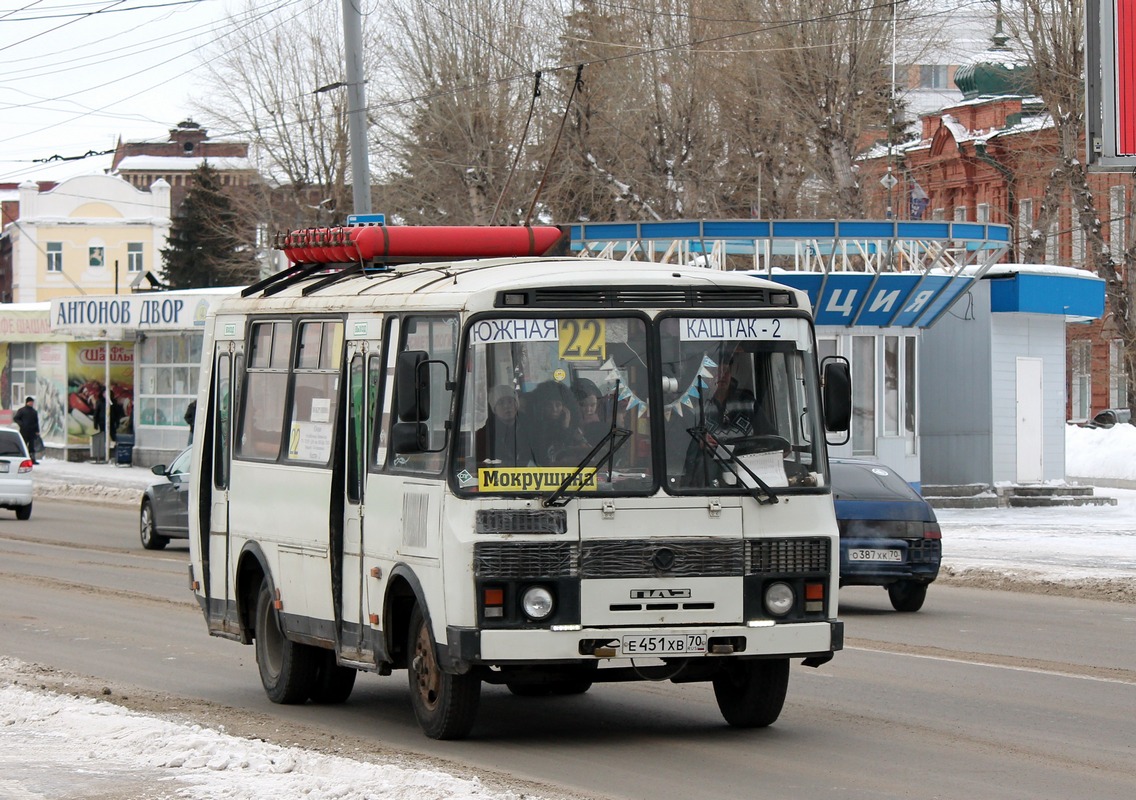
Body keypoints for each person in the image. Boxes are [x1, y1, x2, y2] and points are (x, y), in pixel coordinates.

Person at [525, 380, 589, 466]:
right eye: (549, 405)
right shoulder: (535, 429)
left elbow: (584, 452)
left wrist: (566, 427)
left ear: (565, 407)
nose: (554, 409)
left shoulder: (575, 429)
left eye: (558, 405)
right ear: (542, 407)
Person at [483, 385, 530, 465]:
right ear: (494, 409)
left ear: (516, 405)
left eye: (510, 401)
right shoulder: (484, 435)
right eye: (501, 403)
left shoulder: (531, 429)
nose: (506, 406)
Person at [12, 396, 40, 464]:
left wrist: (37, 431)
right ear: (27, 402)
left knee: (32, 446)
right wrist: (22, 424)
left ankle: (32, 459)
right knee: (23, 445)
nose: (31, 403)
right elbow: (16, 418)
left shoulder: (34, 412)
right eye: (30, 402)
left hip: (32, 432)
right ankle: (23, 458)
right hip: (24, 431)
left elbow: (36, 422)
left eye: (32, 402)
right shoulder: (22, 410)